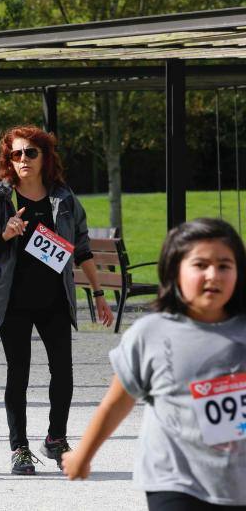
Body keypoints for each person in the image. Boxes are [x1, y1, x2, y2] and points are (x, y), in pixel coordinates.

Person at [62, 218, 246, 510]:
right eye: (200, 265)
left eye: (225, 265)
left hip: (236, 484)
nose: (213, 275)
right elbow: (116, 402)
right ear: (175, 271)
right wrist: (83, 454)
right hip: (172, 480)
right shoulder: (151, 334)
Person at [0, 125, 114, 475]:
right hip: (12, 300)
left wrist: (98, 294)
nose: (23, 160)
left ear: (44, 157)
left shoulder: (63, 198)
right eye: (16, 154)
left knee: (63, 372)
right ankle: (19, 448)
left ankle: (55, 438)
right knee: (18, 373)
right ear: (9, 159)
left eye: (30, 153)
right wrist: (5, 234)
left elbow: (81, 248)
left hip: (53, 299)